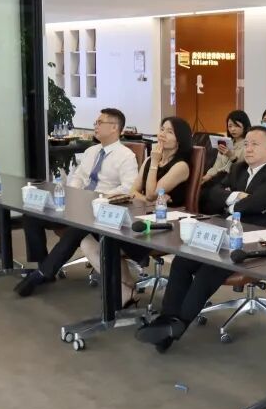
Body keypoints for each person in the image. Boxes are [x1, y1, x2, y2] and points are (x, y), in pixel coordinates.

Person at [134, 126, 266, 352]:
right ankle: (167, 320)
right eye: (247, 144)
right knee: (181, 262)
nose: (248, 149)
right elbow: (209, 193)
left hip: (256, 238)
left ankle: (177, 325)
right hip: (223, 231)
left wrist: (229, 201)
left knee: (208, 270)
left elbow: (258, 203)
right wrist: (235, 196)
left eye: (255, 145)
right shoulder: (238, 168)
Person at [14, 109, 142, 298]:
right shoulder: (91, 151)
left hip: (100, 209)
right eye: (96, 122)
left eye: (100, 122)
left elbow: (128, 188)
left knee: (76, 229)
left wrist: (99, 197)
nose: (95, 126)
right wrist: (72, 195)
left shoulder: (126, 156)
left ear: (114, 128)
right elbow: (78, 177)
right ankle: (41, 264)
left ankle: (42, 274)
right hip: (77, 204)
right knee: (32, 216)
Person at [78, 117, 194, 300]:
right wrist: (149, 197)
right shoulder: (149, 160)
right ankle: (126, 288)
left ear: (179, 139)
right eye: (162, 129)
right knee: (89, 241)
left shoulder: (181, 166)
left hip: (163, 226)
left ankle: (125, 291)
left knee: (107, 242)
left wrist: (153, 167)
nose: (162, 134)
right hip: (141, 216)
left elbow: (150, 193)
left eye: (169, 132)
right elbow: (133, 191)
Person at [203, 110, 249, 184]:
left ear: (245, 125)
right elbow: (217, 165)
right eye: (230, 126)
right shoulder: (226, 142)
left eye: (236, 126)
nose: (232, 129)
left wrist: (231, 156)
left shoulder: (248, 144)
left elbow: (244, 169)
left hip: (235, 181)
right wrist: (207, 176)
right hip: (220, 178)